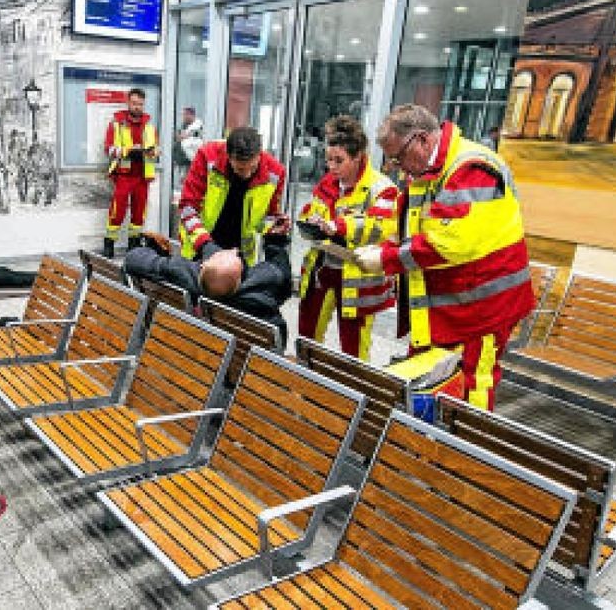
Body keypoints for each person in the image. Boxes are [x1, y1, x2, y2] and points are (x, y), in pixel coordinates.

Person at [355, 104, 534, 411]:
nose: (398, 168)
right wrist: (386, 245)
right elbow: (415, 227)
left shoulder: (473, 169)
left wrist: (387, 260)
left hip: (484, 308)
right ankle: (432, 446)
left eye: (398, 157)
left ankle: (465, 449)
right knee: (431, 377)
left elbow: (447, 244)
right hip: (451, 306)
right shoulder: (432, 170)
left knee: (473, 382)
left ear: (422, 140)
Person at [296, 115, 398, 361]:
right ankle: (303, 386)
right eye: (328, 159)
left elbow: (379, 227)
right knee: (306, 336)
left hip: (358, 278)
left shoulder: (382, 188)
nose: (331, 167)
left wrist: (338, 226)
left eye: (338, 160)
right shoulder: (327, 183)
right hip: (322, 269)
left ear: (358, 157)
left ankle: (356, 395)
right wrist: (310, 220)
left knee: (354, 349)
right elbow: (313, 208)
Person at [124, 232, 292, 348]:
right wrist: (275, 242)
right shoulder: (266, 283)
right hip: (255, 368)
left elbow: (133, 260)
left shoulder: (189, 277)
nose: (234, 249)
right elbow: (283, 277)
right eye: (236, 255)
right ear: (242, 276)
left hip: (204, 351)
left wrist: (155, 250)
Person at [178, 126, 291, 266]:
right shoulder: (207, 157)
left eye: (253, 167)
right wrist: (205, 245)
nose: (247, 174)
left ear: (259, 155)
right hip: (200, 248)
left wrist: (275, 226)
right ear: (228, 155)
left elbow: (268, 217)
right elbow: (187, 208)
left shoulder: (275, 172)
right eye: (240, 169)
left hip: (240, 256)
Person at [103, 87, 158, 258]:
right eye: (134, 103)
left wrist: (153, 152)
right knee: (117, 210)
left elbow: (156, 149)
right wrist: (127, 151)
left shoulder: (149, 126)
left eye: (140, 104)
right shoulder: (116, 124)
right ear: (128, 103)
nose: (137, 107)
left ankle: (133, 246)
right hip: (124, 174)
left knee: (139, 212)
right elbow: (109, 149)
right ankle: (109, 244)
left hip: (142, 175)